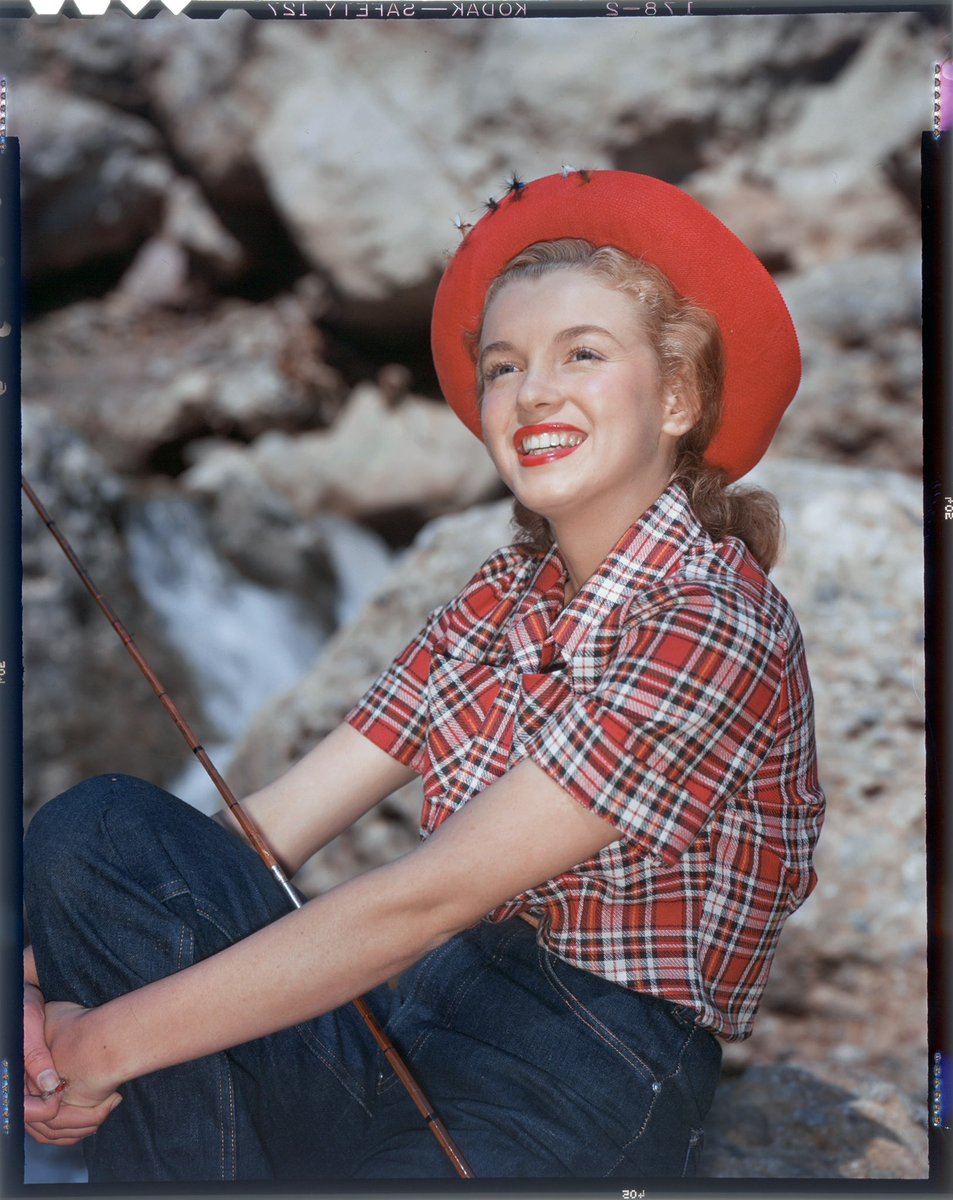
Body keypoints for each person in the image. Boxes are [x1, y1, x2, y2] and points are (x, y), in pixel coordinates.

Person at [23, 169, 825, 1182]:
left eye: (581, 353)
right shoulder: (493, 599)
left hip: (584, 1077)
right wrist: (41, 981)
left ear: (675, 395)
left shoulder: (716, 620)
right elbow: (261, 832)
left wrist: (100, 1046)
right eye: (502, 366)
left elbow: (431, 896)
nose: (531, 391)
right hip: (408, 1024)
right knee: (96, 835)